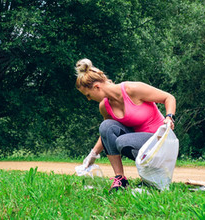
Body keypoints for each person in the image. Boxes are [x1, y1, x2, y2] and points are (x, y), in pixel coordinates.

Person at [75, 58, 176, 192]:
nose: (88, 99)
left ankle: (151, 178)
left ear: (96, 87)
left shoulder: (132, 89)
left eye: (88, 95)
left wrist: (169, 117)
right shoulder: (104, 106)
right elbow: (106, 134)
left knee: (122, 141)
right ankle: (120, 179)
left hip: (160, 142)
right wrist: (93, 154)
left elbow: (169, 98)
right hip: (138, 142)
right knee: (106, 125)